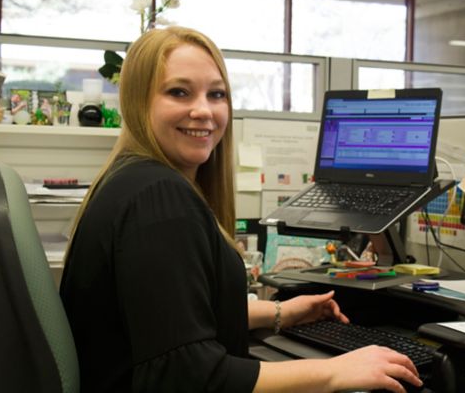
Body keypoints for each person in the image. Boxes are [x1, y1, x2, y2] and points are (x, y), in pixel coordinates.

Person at [60, 26, 423, 393]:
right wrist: (335, 371)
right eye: (178, 92)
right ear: (138, 101)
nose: (203, 110)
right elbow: (186, 375)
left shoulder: (131, 181)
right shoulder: (159, 199)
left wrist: (279, 312)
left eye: (216, 94)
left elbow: (168, 319)